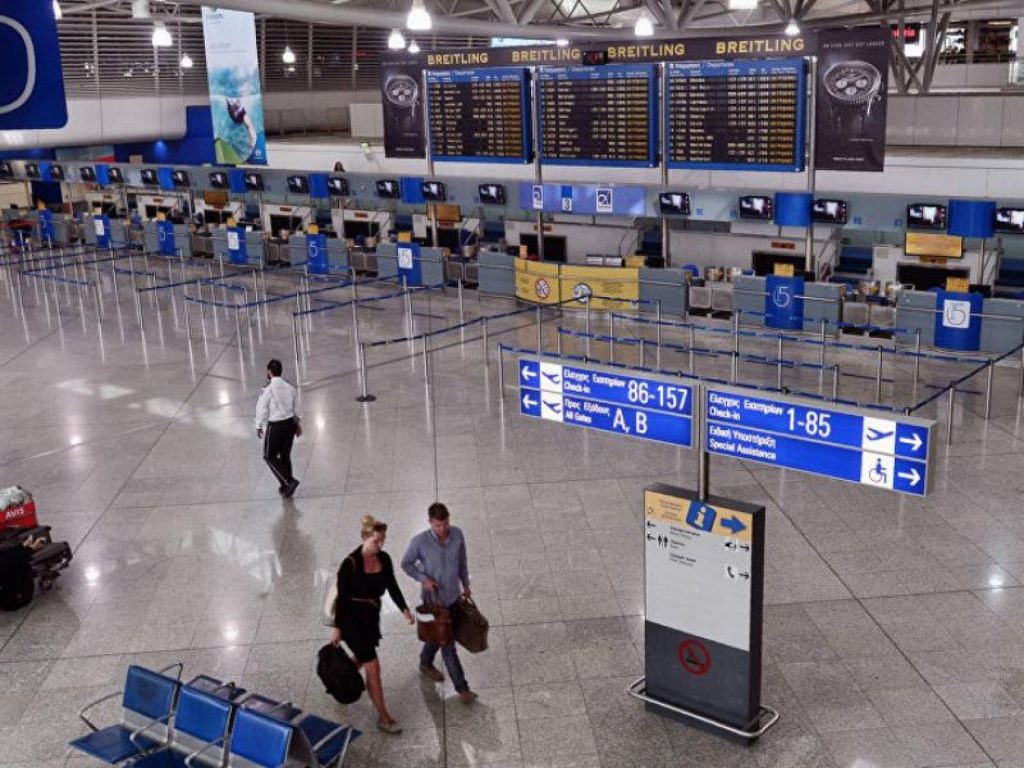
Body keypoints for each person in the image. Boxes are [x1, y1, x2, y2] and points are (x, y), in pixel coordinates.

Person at [331, 516, 414, 734]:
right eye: (376, 541)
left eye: (382, 540)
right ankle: (384, 718)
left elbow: (392, 585)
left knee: (361, 658)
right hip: (352, 620)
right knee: (373, 667)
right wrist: (338, 629)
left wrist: (404, 608)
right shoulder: (350, 564)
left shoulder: (384, 559)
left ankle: (339, 683)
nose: (380, 545)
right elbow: (342, 599)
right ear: (364, 538)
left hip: (371, 617)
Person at [401, 502, 477, 703]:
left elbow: (462, 561)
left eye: (445, 524)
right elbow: (406, 563)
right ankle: (463, 688)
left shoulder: (457, 535)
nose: (442, 529)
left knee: (438, 635)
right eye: (437, 525)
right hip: (434, 602)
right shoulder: (420, 542)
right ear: (430, 522)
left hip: (453, 597)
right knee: (447, 644)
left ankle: (425, 662)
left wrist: (466, 584)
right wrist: (423, 579)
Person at [255, 359, 301, 498]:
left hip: (276, 426)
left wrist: (259, 425)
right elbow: (297, 407)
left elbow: (262, 408)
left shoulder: (268, 390)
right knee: (285, 455)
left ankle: (289, 481)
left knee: (269, 456)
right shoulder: (290, 387)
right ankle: (286, 486)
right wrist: (297, 424)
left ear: (269, 372)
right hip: (290, 425)